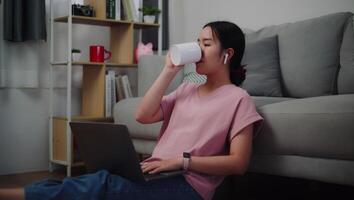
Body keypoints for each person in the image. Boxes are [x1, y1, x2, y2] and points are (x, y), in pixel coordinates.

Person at [0, 21, 263, 200]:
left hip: (188, 186)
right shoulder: (188, 87)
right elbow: (143, 115)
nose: (198, 49)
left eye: (206, 44)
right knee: (99, 180)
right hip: (154, 171)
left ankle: (12, 195)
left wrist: (181, 162)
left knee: (103, 185)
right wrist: (168, 70)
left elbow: (238, 163)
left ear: (227, 54)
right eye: (197, 42)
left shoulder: (238, 99)